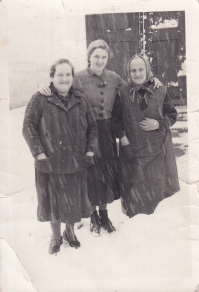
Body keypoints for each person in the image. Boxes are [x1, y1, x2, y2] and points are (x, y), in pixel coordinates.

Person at [38, 40, 162, 236]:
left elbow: (134, 84)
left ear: (107, 59)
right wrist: (43, 84)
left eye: (104, 57)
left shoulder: (113, 77)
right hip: (86, 131)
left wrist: (153, 80)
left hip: (107, 130)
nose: (100, 61)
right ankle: (93, 213)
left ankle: (104, 213)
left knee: (106, 171)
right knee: (91, 171)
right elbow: (60, 85)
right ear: (89, 57)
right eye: (96, 56)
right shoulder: (77, 77)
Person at [23, 59, 97, 254]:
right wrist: (39, 153)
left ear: (73, 77)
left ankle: (70, 233)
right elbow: (28, 127)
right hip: (50, 161)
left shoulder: (81, 99)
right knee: (53, 201)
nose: (64, 79)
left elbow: (92, 127)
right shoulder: (39, 99)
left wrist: (90, 150)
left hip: (75, 160)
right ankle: (56, 237)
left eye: (68, 75)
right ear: (52, 77)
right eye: (60, 75)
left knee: (72, 200)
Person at [112, 54, 180, 218]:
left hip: (156, 149)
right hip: (133, 150)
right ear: (128, 72)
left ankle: (155, 225)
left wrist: (158, 124)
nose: (137, 73)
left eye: (141, 69)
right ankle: (136, 226)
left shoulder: (160, 90)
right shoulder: (122, 92)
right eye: (133, 70)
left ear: (147, 70)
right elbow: (115, 121)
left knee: (156, 187)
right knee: (136, 189)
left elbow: (172, 115)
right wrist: (123, 138)